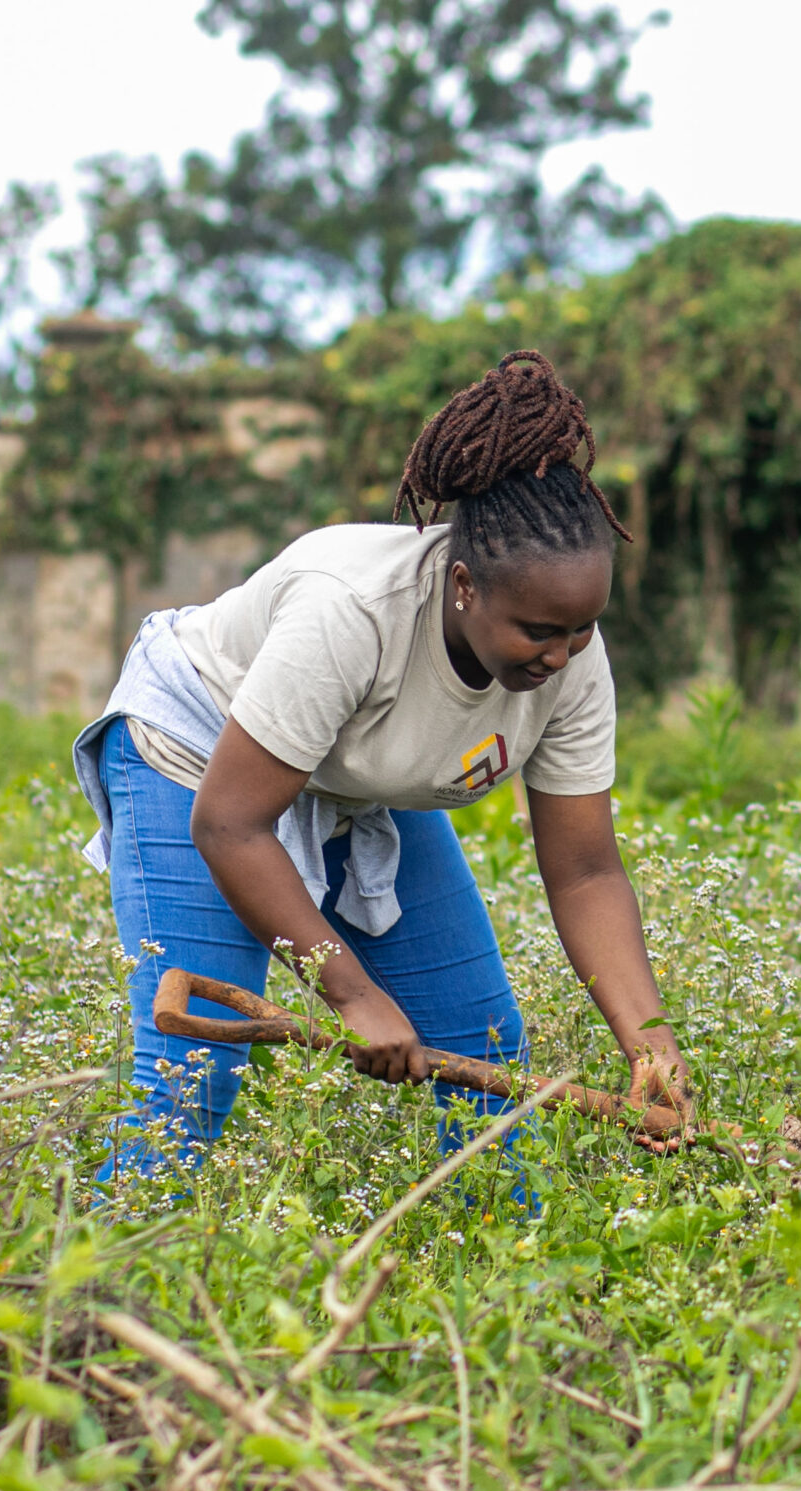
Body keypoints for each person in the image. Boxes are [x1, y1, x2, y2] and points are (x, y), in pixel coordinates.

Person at [73, 350, 690, 1184]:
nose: (561, 654)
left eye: (581, 629)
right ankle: (104, 1263)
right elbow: (229, 823)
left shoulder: (572, 659)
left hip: (344, 775)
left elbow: (585, 872)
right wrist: (353, 993)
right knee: (192, 1081)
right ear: (464, 585)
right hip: (200, 755)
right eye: (539, 631)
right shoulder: (352, 612)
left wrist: (651, 1045)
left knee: (485, 1058)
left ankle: (505, 1263)